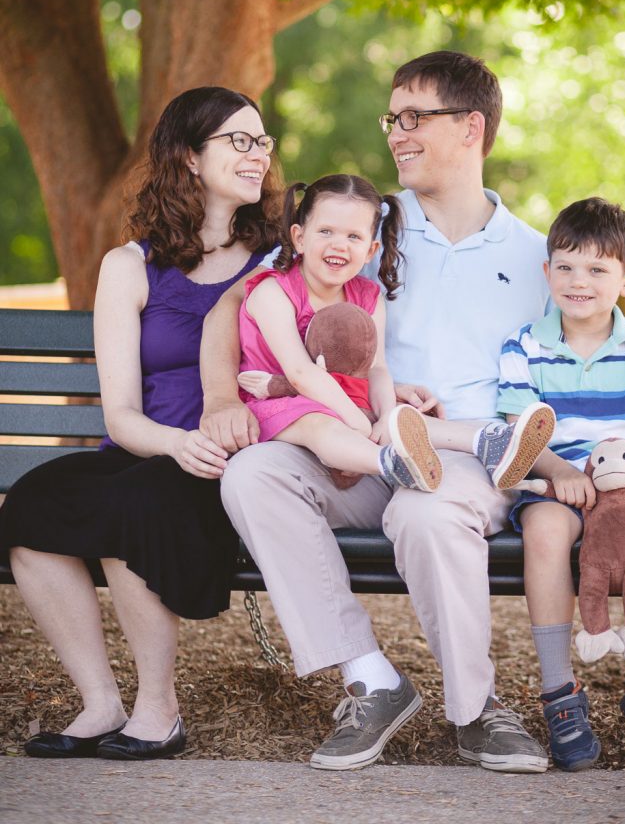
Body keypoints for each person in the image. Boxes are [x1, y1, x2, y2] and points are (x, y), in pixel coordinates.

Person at [202, 50, 552, 773]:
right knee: (255, 473)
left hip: (461, 460)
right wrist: (216, 399)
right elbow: (239, 303)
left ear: (471, 128)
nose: (395, 132)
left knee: (425, 510)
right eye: (392, 118)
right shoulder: (359, 227)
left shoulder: (537, 258)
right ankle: (371, 678)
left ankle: (476, 710)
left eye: (414, 117)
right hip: (356, 439)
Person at [0, 86, 282, 760]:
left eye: (262, 141)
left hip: (238, 460)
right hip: (155, 447)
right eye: (238, 140)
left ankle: (159, 711)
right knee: (32, 506)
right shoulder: (129, 267)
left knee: (138, 501)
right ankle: (100, 702)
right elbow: (121, 413)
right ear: (188, 156)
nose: (258, 155)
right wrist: (174, 444)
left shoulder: (280, 261)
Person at [496, 197, 625, 770]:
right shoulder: (523, 346)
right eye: (567, 266)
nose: (579, 281)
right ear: (546, 271)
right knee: (546, 532)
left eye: (598, 269)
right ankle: (558, 692)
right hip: (561, 480)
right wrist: (558, 471)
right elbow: (520, 429)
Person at [237, 172, 555, 492]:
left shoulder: (367, 296)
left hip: (346, 403)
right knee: (320, 425)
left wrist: (387, 414)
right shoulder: (273, 292)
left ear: (371, 250)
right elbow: (299, 373)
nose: (339, 245)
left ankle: (490, 440)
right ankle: (392, 462)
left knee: (401, 415)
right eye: (326, 231)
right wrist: (358, 421)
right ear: (299, 237)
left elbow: (377, 368)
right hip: (282, 402)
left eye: (353, 237)